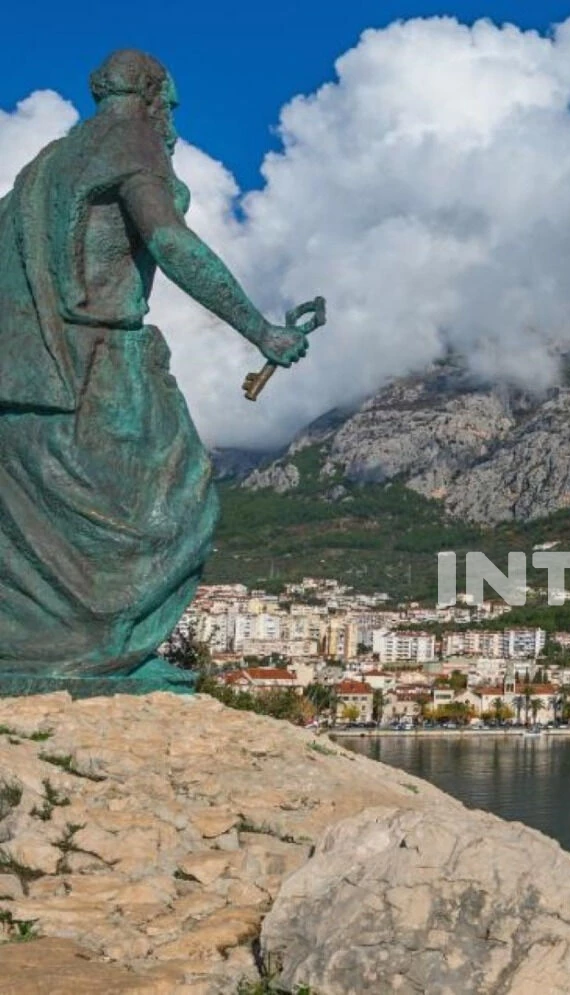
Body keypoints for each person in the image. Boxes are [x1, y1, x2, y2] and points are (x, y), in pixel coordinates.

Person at [0, 50, 313, 686]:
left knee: (36, 526)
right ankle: (100, 656)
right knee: (181, 498)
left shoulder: (47, 165)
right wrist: (260, 329)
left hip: (26, 368)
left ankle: (50, 655)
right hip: (97, 363)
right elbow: (170, 241)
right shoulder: (133, 142)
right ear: (151, 99)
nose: (172, 121)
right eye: (170, 106)